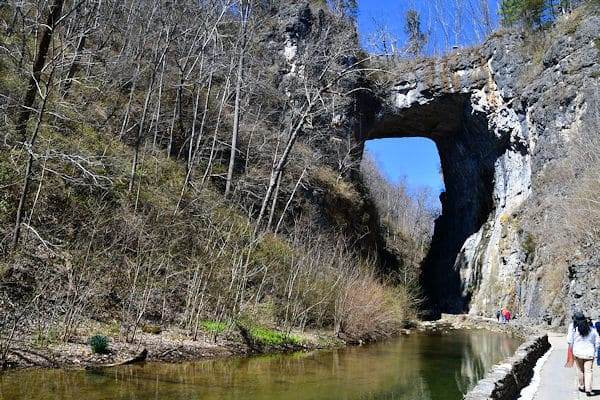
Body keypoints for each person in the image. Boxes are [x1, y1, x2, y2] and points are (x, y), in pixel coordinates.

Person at [567, 312, 600, 396]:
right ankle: (588, 389)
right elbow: (597, 341)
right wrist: (596, 351)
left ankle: (582, 386)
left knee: (580, 370)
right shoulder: (592, 330)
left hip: (578, 353)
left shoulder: (575, 330)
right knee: (589, 371)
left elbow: (569, 341)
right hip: (589, 353)